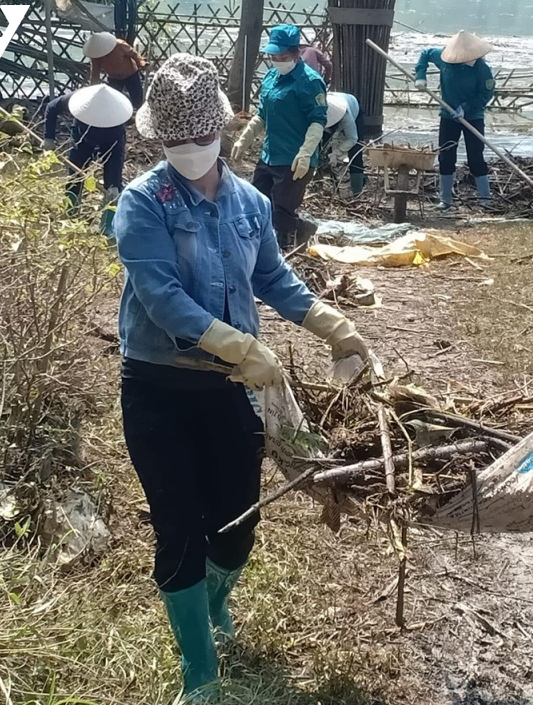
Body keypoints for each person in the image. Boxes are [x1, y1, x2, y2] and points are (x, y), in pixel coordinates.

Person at [113, 54, 373, 702]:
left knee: (235, 522)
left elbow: (273, 281)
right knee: (179, 526)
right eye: (178, 140)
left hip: (228, 393)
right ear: (159, 138)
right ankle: (199, 672)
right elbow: (161, 296)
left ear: (225, 131)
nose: (193, 150)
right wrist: (237, 345)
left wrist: (332, 325)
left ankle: (215, 602)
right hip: (159, 386)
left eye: (203, 137)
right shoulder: (142, 205)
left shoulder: (251, 205)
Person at [231, 24, 328, 249]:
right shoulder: (271, 77)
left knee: (281, 212)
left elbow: (317, 121)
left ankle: (294, 239)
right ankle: (259, 247)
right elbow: (262, 114)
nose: (277, 60)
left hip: (294, 158)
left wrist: (306, 153)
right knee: (255, 203)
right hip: (270, 154)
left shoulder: (310, 82)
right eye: (273, 56)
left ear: (296, 53)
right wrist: (245, 138)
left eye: (282, 56)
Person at [414, 31, 496, 209]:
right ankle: (445, 200)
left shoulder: (482, 69)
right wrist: (420, 76)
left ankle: (485, 200)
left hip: (473, 117)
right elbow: (425, 54)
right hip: (448, 116)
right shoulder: (444, 58)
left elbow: (486, 93)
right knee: (446, 156)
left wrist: (466, 108)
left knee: (475, 157)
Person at [42, 83, 132, 233]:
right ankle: (71, 216)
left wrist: (115, 183)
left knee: (113, 186)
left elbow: (117, 156)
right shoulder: (78, 98)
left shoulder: (117, 118)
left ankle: (107, 226)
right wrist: (49, 138)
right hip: (82, 138)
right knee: (74, 177)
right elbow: (51, 108)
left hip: (111, 142)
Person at [84, 31, 147, 109]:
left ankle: (137, 113)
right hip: (113, 78)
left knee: (137, 99)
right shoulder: (96, 56)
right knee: (113, 101)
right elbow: (95, 73)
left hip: (131, 75)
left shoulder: (119, 45)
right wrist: (92, 90)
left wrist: (141, 62)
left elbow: (134, 54)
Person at [321, 91, 365, 195]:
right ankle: (319, 184)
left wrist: (337, 153)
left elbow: (353, 138)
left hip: (353, 107)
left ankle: (357, 192)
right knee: (321, 150)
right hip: (331, 105)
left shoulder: (346, 116)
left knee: (356, 153)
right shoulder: (319, 111)